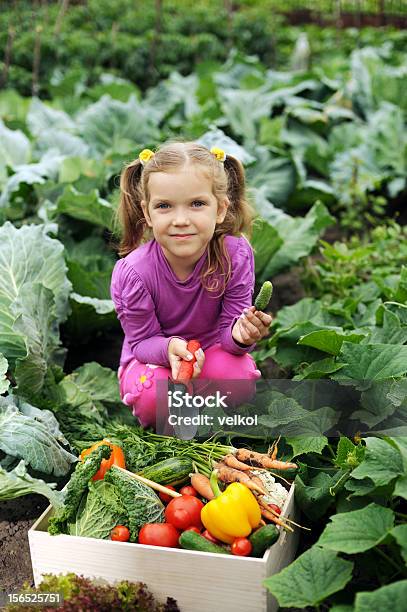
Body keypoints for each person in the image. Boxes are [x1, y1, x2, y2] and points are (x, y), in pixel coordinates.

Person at [110, 140, 273, 429]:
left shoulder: (235, 255)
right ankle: (175, 426)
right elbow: (142, 343)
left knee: (236, 377)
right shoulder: (133, 274)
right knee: (153, 396)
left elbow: (229, 336)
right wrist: (171, 348)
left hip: (211, 352)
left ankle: (208, 425)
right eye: (164, 206)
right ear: (147, 213)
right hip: (155, 361)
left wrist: (240, 333)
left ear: (221, 209)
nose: (181, 220)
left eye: (197, 204)